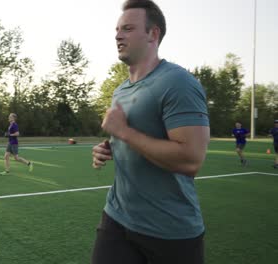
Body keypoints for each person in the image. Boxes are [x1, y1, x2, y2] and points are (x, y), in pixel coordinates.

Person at [91, 1, 210, 263]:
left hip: (170, 231)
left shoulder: (178, 82)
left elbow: (191, 159)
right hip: (117, 217)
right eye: (117, 29)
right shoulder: (120, 90)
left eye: (128, 28)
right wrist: (108, 147)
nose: (118, 35)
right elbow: (130, 136)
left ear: (153, 34)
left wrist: (123, 133)